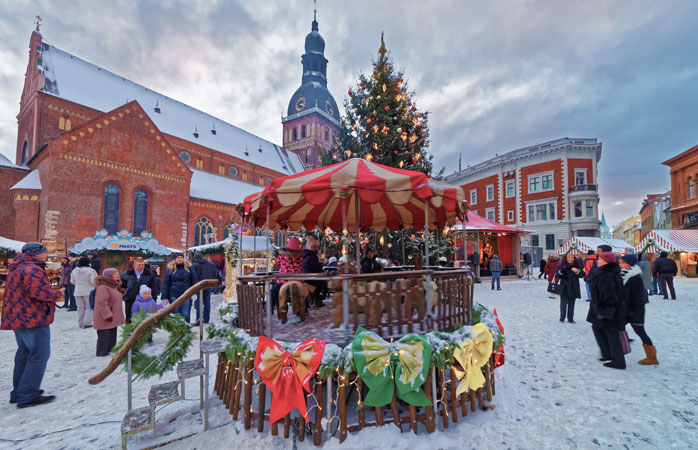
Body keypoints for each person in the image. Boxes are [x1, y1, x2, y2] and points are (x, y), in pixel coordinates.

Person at [2, 242, 63, 407]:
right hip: (32, 318)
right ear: (36, 253)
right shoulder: (32, 269)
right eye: (45, 252)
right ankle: (27, 394)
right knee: (39, 355)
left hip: (19, 318)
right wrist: (58, 293)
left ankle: (19, 391)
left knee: (24, 354)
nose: (47, 255)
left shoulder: (18, 267)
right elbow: (39, 293)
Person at [588, 252, 626, 370]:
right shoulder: (602, 273)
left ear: (606, 261)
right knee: (597, 328)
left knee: (611, 333)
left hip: (608, 309)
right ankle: (607, 354)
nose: (597, 261)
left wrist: (604, 308)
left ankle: (619, 361)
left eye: (599, 259)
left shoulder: (608, 275)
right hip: (601, 308)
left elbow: (609, 295)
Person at [619, 254, 658, 365]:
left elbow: (636, 297)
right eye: (620, 262)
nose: (620, 264)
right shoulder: (625, 275)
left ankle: (652, 357)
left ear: (630, 264)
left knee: (640, 331)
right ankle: (619, 350)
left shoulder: (634, 277)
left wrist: (630, 311)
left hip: (635, 310)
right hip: (627, 309)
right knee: (618, 327)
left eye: (623, 262)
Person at [93, 268, 126, 357]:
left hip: (113, 314)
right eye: (115, 274)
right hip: (105, 315)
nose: (117, 275)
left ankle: (111, 349)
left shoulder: (113, 286)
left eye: (117, 273)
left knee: (112, 332)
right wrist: (107, 315)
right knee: (104, 333)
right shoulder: (103, 287)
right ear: (109, 276)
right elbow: (101, 302)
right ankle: (102, 351)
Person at [120, 257, 160, 324]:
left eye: (142, 265)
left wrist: (154, 299)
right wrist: (125, 295)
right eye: (139, 265)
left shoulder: (149, 275)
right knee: (130, 319)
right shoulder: (126, 274)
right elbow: (121, 287)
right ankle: (130, 334)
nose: (141, 266)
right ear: (134, 266)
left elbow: (154, 288)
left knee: (145, 319)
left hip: (145, 301)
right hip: (130, 300)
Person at [161, 252, 198, 323]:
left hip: (187, 293)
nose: (180, 259)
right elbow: (166, 283)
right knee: (176, 314)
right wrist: (164, 297)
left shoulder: (189, 267)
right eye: (178, 258)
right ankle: (177, 332)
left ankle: (186, 331)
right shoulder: (170, 269)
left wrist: (194, 292)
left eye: (181, 258)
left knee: (186, 314)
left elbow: (194, 280)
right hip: (173, 294)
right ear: (174, 259)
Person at [270, 237, 303, 313]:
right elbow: (302, 263)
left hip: (283, 279)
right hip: (297, 279)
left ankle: (270, 307)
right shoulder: (299, 256)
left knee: (273, 291)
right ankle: (306, 309)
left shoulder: (282, 255)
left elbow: (277, 263)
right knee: (303, 293)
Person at [191, 252, 220, 325]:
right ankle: (206, 319)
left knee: (198, 304)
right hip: (208, 286)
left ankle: (199, 319)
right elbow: (214, 274)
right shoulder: (211, 264)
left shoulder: (195, 265)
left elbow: (193, 276)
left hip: (199, 286)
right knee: (207, 303)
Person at [556, 253, 585, 323]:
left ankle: (570, 319)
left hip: (573, 287)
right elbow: (557, 275)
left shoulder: (577, 265)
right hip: (564, 287)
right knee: (563, 303)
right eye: (569, 257)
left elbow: (583, 275)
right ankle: (562, 318)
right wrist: (561, 272)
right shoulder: (561, 265)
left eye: (572, 257)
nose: (571, 259)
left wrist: (577, 271)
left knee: (572, 304)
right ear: (566, 258)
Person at [70, 256, 97, 328]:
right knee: (89, 307)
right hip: (89, 291)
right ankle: (87, 323)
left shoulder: (74, 271)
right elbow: (93, 281)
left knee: (80, 308)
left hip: (77, 291)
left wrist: (78, 284)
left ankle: (80, 323)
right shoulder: (91, 271)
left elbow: (72, 281)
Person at [302, 236, 327, 306]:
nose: (316, 248)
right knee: (322, 283)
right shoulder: (311, 255)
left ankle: (316, 297)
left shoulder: (306, 254)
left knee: (321, 282)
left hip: (305, 275)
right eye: (314, 247)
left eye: (316, 247)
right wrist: (321, 264)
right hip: (310, 276)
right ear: (310, 247)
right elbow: (316, 266)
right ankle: (317, 298)